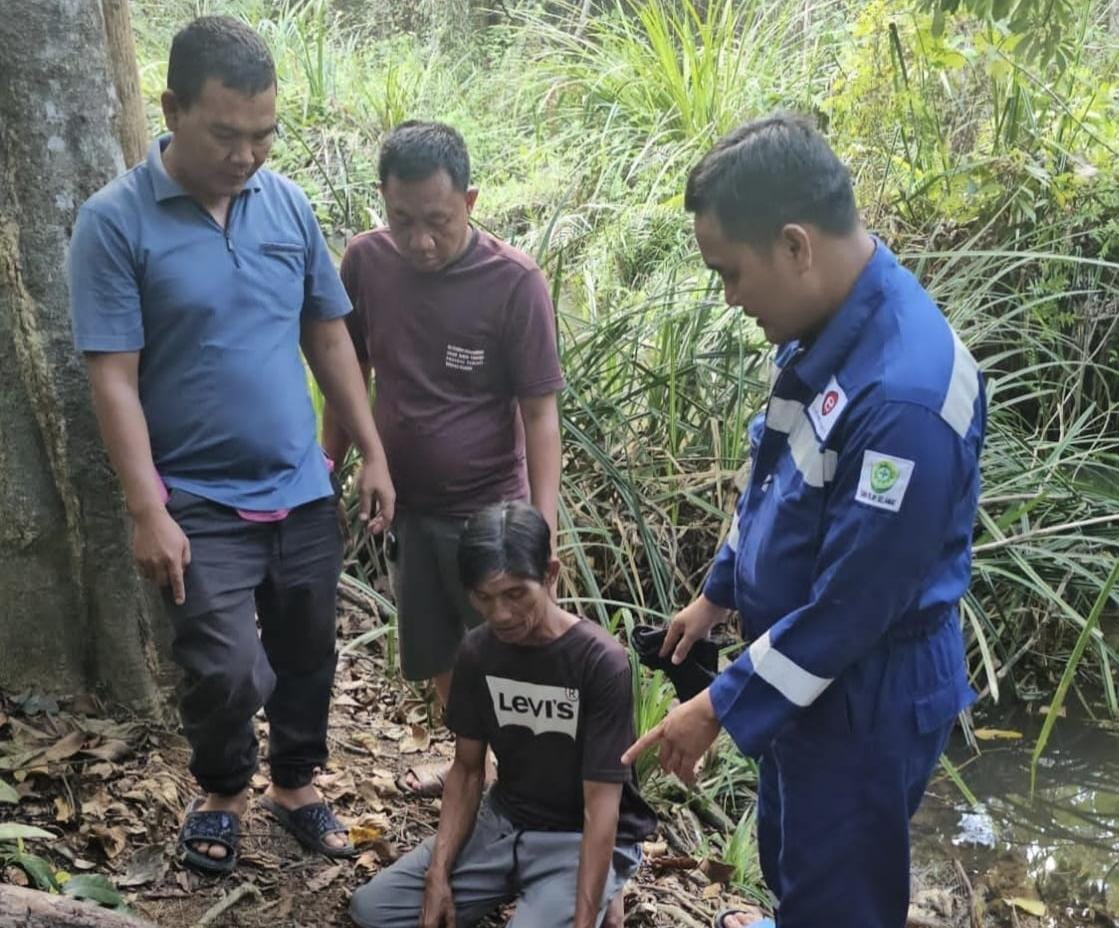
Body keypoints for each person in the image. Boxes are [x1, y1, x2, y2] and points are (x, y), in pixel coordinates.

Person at [622, 113, 985, 928]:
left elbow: (853, 606)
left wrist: (717, 704)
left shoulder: (903, 402)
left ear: (794, 245)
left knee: (844, 890)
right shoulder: (829, 327)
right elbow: (778, 475)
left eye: (731, 272)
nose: (729, 298)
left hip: (865, 688)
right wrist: (717, 593)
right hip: (803, 667)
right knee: (798, 850)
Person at [68, 16, 395, 874]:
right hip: (197, 498)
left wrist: (371, 453)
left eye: (263, 134)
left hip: (300, 483)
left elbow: (328, 336)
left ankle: (295, 785)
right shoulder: (114, 223)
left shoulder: (284, 203)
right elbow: (113, 376)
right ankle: (221, 790)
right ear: (172, 108)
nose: (247, 154)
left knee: (305, 652)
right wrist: (148, 508)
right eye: (225, 134)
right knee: (223, 669)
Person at [322, 120, 564, 796]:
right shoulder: (366, 262)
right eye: (402, 219)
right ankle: (470, 766)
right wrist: (328, 466)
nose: (419, 240)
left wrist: (539, 531)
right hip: (409, 506)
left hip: (489, 508)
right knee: (440, 652)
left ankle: (530, 780)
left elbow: (540, 413)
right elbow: (351, 370)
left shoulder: (513, 282)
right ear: (383, 200)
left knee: (510, 643)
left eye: (438, 220)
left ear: (471, 201)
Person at [349, 501, 656, 928]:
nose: (501, 614)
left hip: (577, 836)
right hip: (506, 822)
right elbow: (468, 770)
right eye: (484, 598)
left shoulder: (599, 661)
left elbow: (601, 806)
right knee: (374, 909)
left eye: (516, 594)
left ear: (550, 575)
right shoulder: (479, 651)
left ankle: (606, 887)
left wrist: (585, 921)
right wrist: (438, 874)